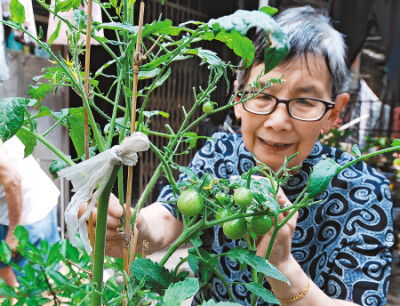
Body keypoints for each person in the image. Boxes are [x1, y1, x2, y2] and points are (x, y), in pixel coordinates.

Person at [85, 6, 393, 305]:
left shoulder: (362, 191)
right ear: (237, 98)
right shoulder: (220, 153)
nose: (277, 121)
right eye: (262, 95)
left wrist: (282, 267)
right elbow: (170, 216)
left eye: (304, 101)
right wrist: (133, 229)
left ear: (334, 112)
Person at [0, 136, 61, 287]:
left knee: (39, 283)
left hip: (30, 212)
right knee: (4, 272)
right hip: (4, 209)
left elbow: (12, 180)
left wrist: (15, 231)